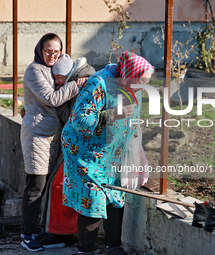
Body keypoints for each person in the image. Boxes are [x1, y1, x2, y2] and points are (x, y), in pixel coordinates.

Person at [61, 51, 154, 255]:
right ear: (128, 75)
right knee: (93, 198)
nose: (143, 86)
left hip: (113, 153)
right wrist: (113, 115)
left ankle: (114, 246)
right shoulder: (98, 84)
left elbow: (133, 121)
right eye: (141, 81)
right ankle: (85, 249)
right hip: (86, 152)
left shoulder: (131, 85)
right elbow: (80, 121)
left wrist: (137, 150)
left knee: (116, 194)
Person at [20, 33, 85, 252]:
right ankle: (27, 235)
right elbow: (51, 98)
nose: (52, 56)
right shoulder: (33, 71)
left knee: (42, 187)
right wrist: (75, 84)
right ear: (40, 50)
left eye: (56, 52)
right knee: (35, 187)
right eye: (48, 51)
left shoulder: (51, 69)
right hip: (37, 138)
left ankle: (36, 230)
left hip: (50, 138)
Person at [39, 54, 96, 237]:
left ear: (68, 74)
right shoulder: (78, 80)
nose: (57, 83)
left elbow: (73, 118)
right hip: (76, 145)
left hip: (81, 146)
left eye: (59, 78)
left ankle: (62, 233)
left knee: (60, 186)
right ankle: (60, 231)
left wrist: (59, 105)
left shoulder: (82, 83)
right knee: (62, 186)